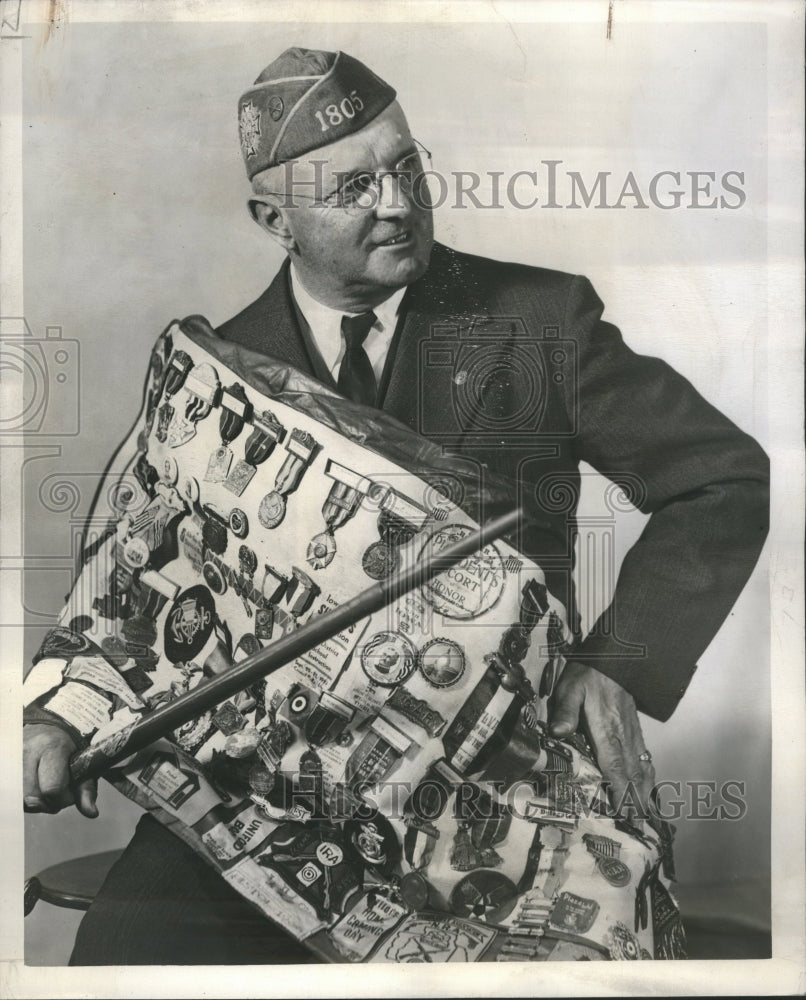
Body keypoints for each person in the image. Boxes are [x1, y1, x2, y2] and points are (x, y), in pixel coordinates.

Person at [23, 47, 769, 965]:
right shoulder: (222, 381)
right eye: (354, 187)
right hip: (261, 795)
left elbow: (722, 476)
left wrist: (619, 663)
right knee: (116, 964)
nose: (397, 203)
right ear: (273, 218)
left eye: (407, 167)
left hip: (498, 790)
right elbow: (134, 583)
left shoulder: (534, 321)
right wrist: (59, 716)